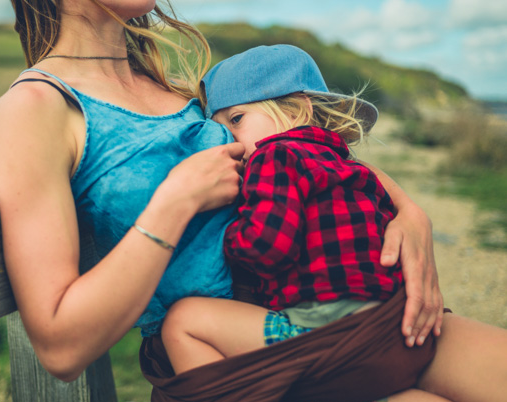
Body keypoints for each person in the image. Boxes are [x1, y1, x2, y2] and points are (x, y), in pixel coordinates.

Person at [0, 1, 507, 402]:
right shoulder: (36, 108)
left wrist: (408, 211)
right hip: (237, 369)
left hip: (331, 309)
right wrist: (176, 201)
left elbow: (298, 149)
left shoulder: (179, 87)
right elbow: (59, 345)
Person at [161, 44, 406, 374]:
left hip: (326, 331)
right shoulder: (342, 162)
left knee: (183, 323)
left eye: (237, 119)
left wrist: (228, 231)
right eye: (222, 130)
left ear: (296, 110)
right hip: (389, 322)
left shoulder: (273, 156)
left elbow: (266, 247)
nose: (229, 141)